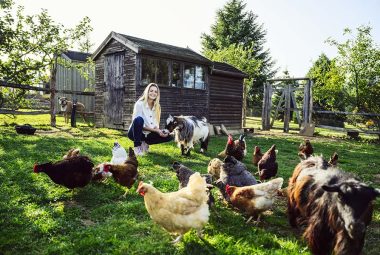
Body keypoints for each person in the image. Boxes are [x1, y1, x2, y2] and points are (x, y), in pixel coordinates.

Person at [127, 83, 172, 156]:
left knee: (169, 136)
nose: (153, 93)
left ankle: (145, 143)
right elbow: (138, 124)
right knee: (139, 119)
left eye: (155, 92)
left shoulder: (157, 106)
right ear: (147, 92)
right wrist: (156, 130)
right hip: (135, 133)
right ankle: (137, 146)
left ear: (157, 94)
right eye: (151, 91)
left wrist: (160, 132)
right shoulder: (139, 104)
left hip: (148, 134)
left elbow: (155, 125)